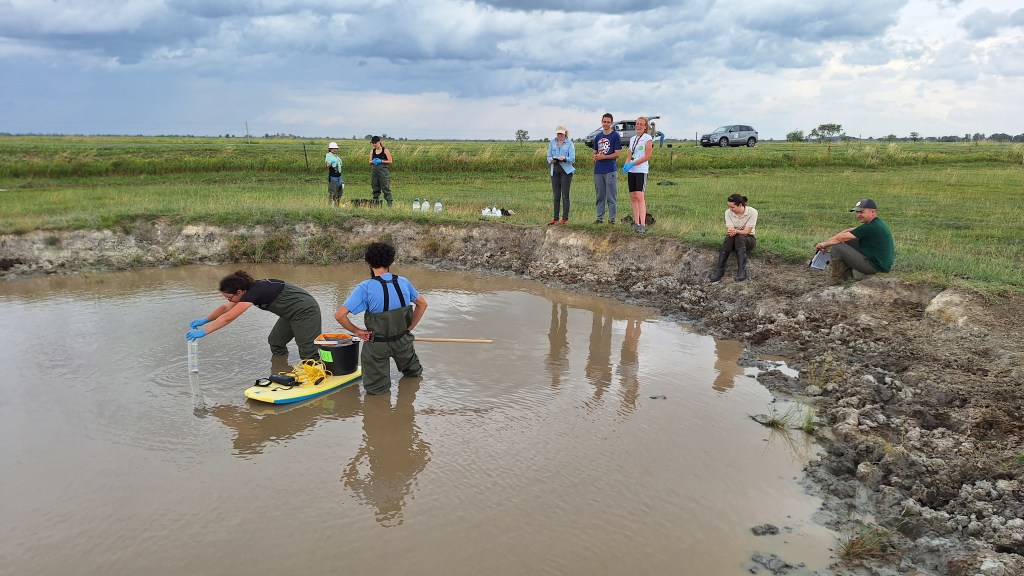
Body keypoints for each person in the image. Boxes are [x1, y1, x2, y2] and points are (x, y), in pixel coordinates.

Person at [335, 241, 427, 395]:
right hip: (403, 341)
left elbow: (339, 315)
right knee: (414, 375)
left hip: (377, 345)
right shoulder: (403, 282)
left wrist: (357, 331)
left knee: (377, 391)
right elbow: (422, 304)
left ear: (369, 263)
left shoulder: (365, 287)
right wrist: (409, 327)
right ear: (390, 261)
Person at [186, 271, 323, 361]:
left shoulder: (254, 292)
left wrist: (204, 332)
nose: (229, 301)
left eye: (229, 297)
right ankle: (281, 367)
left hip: (305, 311)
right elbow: (225, 308)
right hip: (289, 313)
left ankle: (317, 374)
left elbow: (228, 317)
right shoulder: (246, 291)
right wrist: (204, 320)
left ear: (239, 292)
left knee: (308, 350)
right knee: (275, 342)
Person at [815, 198, 895, 286]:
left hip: (875, 267)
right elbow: (848, 231)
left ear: (872, 212)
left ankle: (838, 278)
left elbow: (839, 239)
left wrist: (824, 244)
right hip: (880, 264)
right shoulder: (876, 223)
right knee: (848, 240)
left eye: (861, 212)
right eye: (857, 212)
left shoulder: (871, 227)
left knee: (837, 246)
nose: (858, 215)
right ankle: (847, 276)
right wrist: (826, 243)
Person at [709, 193, 758, 282]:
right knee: (730, 238)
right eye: (729, 207)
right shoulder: (728, 212)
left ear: (740, 205)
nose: (730, 209)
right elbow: (730, 229)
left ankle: (741, 271)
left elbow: (747, 231)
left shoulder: (752, 212)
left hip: (748, 239)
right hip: (733, 239)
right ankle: (719, 270)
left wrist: (736, 231)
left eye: (732, 207)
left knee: (739, 236)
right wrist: (732, 232)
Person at [622, 116, 654, 233]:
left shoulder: (648, 138)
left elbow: (647, 156)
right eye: (637, 123)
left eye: (641, 124)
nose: (638, 126)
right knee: (633, 196)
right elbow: (629, 155)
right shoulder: (632, 139)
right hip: (632, 171)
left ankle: (643, 224)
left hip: (641, 170)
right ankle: (636, 222)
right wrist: (626, 165)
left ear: (645, 127)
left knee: (640, 196)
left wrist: (633, 163)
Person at [591, 113, 621, 224]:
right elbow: (594, 152)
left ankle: (612, 219)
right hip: (598, 170)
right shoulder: (598, 136)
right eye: (604, 122)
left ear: (611, 123)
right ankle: (599, 218)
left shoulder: (615, 136)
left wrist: (604, 157)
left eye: (608, 122)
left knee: (611, 196)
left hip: (610, 169)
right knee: (600, 195)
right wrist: (595, 156)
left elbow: (617, 154)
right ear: (602, 122)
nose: (606, 124)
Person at [546, 124, 576, 224]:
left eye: (561, 134)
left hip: (566, 172)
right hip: (555, 170)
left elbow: (572, 159)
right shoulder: (552, 142)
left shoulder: (570, 143)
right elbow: (548, 156)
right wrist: (551, 160)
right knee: (556, 196)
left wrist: (565, 158)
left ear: (565, 133)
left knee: (565, 196)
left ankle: (565, 219)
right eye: (558, 133)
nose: (560, 135)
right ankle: (555, 219)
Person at [369, 136, 394, 207]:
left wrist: (381, 161)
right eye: (373, 143)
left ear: (379, 142)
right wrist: (373, 161)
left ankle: (389, 204)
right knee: (375, 188)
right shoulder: (372, 151)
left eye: (375, 143)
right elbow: (369, 161)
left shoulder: (385, 150)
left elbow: (390, 161)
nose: (374, 144)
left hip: (383, 173)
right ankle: (375, 203)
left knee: (385, 188)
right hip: (375, 173)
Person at [325, 142, 344, 207]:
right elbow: (327, 166)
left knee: (339, 192)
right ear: (330, 149)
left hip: (339, 176)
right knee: (333, 192)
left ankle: (337, 205)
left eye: (336, 148)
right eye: (333, 148)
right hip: (333, 177)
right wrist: (331, 163)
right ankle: (330, 205)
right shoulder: (328, 156)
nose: (335, 149)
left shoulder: (336, 156)